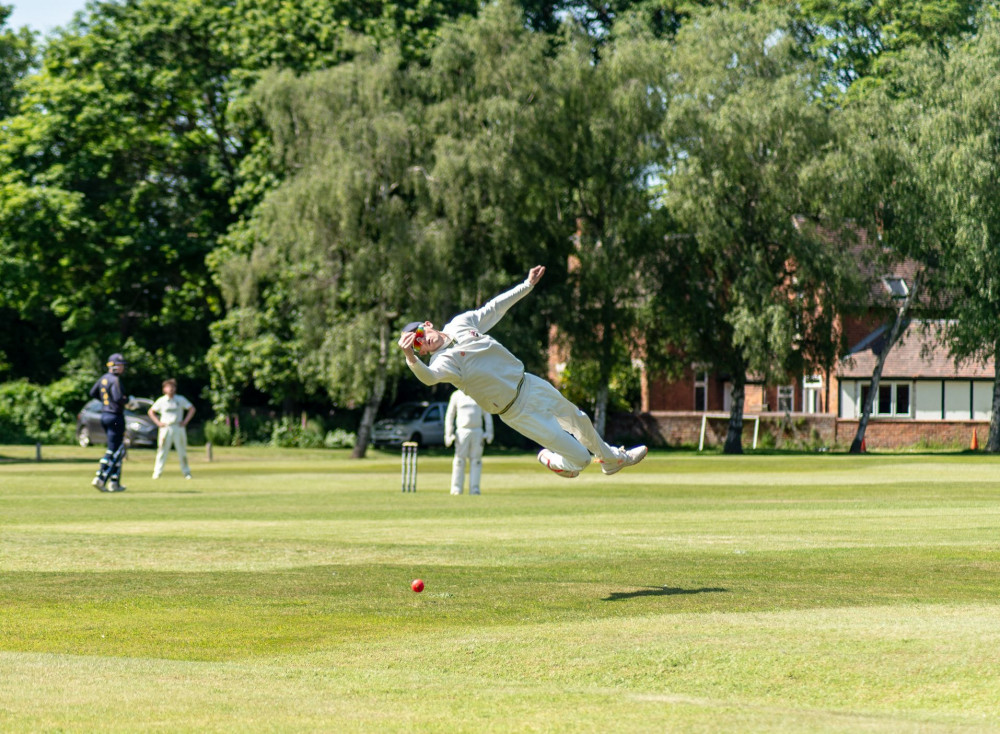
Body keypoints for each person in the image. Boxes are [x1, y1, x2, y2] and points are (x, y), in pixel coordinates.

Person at [397, 265, 647, 479]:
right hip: (515, 411)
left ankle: (612, 459)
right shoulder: (443, 363)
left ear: (428, 325)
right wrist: (409, 357)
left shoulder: (460, 323)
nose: (421, 342)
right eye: (416, 345)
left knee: (579, 419)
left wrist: (527, 285)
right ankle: (556, 462)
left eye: (419, 335)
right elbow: (429, 378)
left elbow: (494, 309)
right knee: (581, 460)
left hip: (529, 383)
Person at [89, 353, 129, 492]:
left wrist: (106, 403)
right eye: (120, 365)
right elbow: (118, 398)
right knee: (114, 449)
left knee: (118, 450)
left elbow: (93, 392)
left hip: (105, 415)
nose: (122, 367)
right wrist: (129, 401)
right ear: (113, 365)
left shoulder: (103, 378)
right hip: (115, 416)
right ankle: (100, 477)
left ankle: (114, 482)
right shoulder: (115, 380)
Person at [445, 389, 494, 495]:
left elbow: (487, 414)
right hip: (462, 431)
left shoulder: (480, 394)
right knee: (459, 461)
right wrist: (448, 434)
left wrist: (489, 432)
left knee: (476, 461)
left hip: (477, 431)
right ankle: (456, 488)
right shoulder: (456, 395)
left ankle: (475, 488)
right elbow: (450, 415)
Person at [148, 378, 196, 480]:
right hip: (166, 428)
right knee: (162, 451)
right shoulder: (161, 400)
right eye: (169, 387)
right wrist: (158, 423)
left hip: (178, 427)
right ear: (164, 389)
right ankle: (157, 473)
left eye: (173, 387)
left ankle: (186, 472)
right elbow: (151, 411)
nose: (171, 389)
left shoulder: (180, 399)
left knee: (182, 451)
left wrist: (185, 422)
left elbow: (192, 409)